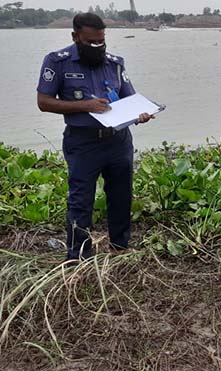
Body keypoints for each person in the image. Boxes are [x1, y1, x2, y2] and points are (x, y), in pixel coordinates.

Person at [37, 13, 153, 261]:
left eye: (101, 41)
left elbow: (129, 99)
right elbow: (44, 102)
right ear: (75, 37)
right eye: (91, 42)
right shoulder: (58, 62)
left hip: (118, 141)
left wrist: (140, 113)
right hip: (83, 142)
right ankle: (79, 256)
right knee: (80, 200)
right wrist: (84, 106)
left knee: (121, 196)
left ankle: (119, 248)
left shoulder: (115, 63)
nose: (98, 47)